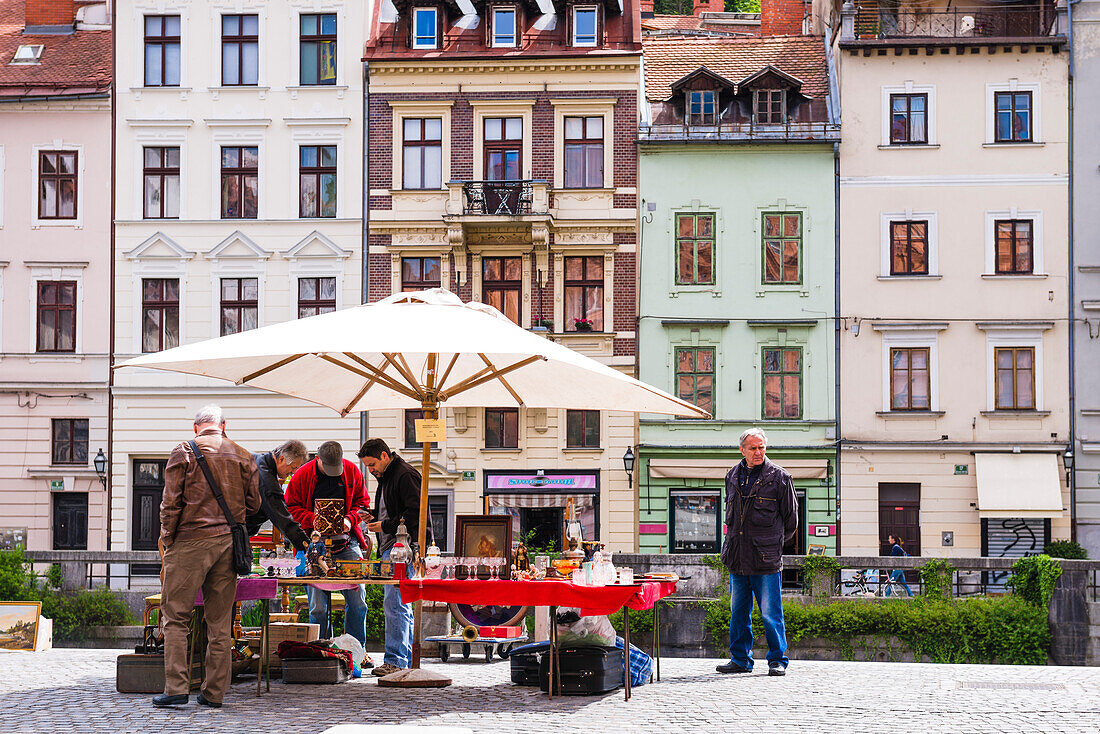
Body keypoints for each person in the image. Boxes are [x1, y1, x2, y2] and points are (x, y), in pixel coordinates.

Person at [154, 405, 261, 709]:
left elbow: (170, 502)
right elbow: (254, 505)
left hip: (189, 541)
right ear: (223, 426)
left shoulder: (184, 451)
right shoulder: (243, 454)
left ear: (195, 426)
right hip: (228, 544)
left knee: (175, 618)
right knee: (220, 623)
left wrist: (168, 538)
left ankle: (176, 687)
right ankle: (213, 693)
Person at [717, 427, 798, 677]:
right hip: (737, 558)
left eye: (761, 447)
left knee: (771, 613)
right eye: (752, 448)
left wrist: (771, 545)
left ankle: (777, 660)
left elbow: (791, 521)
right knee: (738, 612)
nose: (758, 452)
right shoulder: (732, 476)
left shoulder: (780, 477)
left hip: (766, 560)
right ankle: (740, 659)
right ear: (742, 450)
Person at [357, 438, 433, 677]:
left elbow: (413, 515)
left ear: (383, 455)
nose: (370, 470)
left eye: (371, 465)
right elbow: (393, 509)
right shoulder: (389, 475)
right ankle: (402, 657)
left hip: (403, 548)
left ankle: (396, 660)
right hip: (395, 546)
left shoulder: (404, 474)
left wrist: (384, 526)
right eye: (367, 466)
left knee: (395, 603)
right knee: (399, 603)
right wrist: (371, 516)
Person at [284, 441, 371, 646]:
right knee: (318, 607)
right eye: (328, 468)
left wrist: (350, 519)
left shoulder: (351, 471)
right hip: (313, 547)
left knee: (358, 602)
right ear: (318, 460)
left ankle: (357, 650)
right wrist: (312, 520)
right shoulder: (302, 475)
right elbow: (289, 507)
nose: (334, 473)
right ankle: (321, 648)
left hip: (346, 544)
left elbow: (363, 503)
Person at [246, 440, 310, 552]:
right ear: (281, 459)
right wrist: (307, 546)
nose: (294, 472)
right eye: (293, 467)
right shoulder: (266, 478)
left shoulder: (257, 460)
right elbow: (282, 517)